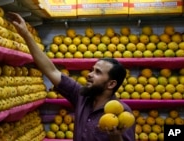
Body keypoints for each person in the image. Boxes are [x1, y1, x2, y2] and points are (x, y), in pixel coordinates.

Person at [8, 12, 135, 141]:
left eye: (98, 72)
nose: (89, 75)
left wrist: (116, 137)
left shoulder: (122, 113)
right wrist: (25, 34)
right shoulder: (82, 97)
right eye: (92, 70)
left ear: (111, 84)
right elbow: (52, 71)